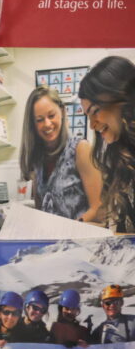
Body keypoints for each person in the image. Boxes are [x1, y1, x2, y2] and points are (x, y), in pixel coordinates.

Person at [18, 86, 101, 222]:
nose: (47, 124)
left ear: (62, 112)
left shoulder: (81, 149)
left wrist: (69, 231)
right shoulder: (37, 159)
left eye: (51, 116)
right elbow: (41, 212)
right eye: (39, 120)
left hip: (79, 239)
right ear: (32, 124)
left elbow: (98, 209)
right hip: (49, 240)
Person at [78, 55, 135, 232]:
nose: (92, 125)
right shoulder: (120, 157)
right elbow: (120, 230)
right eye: (88, 115)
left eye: (95, 110)